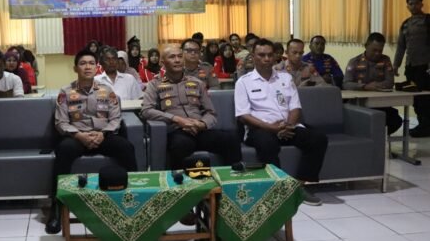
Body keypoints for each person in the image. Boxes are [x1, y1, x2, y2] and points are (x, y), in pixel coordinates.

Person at [46, 49, 138, 234]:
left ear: (96, 67)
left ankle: (135, 198)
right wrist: (79, 135)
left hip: (103, 136)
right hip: (77, 137)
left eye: (91, 63)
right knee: (63, 150)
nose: (87, 67)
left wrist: (103, 134)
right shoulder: (65, 92)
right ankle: (56, 207)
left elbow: (115, 118)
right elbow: (61, 122)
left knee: (126, 147)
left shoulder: (107, 91)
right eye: (82, 63)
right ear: (75, 68)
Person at [235, 39, 328, 206]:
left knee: (318, 138)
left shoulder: (285, 78)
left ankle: (299, 186)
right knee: (267, 144)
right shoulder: (244, 82)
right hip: (260, 129)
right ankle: (278, 189)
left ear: (275, 56)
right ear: (253, 57)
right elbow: (243, 115)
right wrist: (272, 128)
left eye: (270, 55)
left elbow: (295, 107)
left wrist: (288, 126)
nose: (266, 59)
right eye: (261, 55)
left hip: (287, 127)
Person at [141, 45, 242, 170]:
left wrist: (201, 124)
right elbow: (146, 110)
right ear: (163, 62)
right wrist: (177, 119)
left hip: (199, 130)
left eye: (179, 56)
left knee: (231, 138)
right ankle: (179, 181)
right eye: (172, 57)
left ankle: (234, 177)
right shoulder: (155, 84)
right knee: (181, 145)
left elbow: (211, 112)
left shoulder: (197, 82)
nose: (177, 60)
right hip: (177, 131)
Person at [345, 33, 403, 135]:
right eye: (374, 50)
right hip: (360, 105)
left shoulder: (385, 60)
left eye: (380, 51)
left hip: (380, 104)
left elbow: (390, 82)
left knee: (396, 120)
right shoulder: (354, 61)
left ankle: (378, 138)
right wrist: (365, 87)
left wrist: (377, 85)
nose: (377, 53)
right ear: (366, 46)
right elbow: (346, 83)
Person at [393, 0, 430, 137]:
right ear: (407, 6)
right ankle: (423, 125)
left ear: (422, 4)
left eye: (416, 3)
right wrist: (396, 65)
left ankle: (426, 126)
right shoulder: (405, 24)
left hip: (425, 67)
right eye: (411, 4)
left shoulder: (428, 20)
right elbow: (401, 46)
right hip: (411, 67)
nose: (414, 6)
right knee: (415, 97)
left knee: (425, 98)